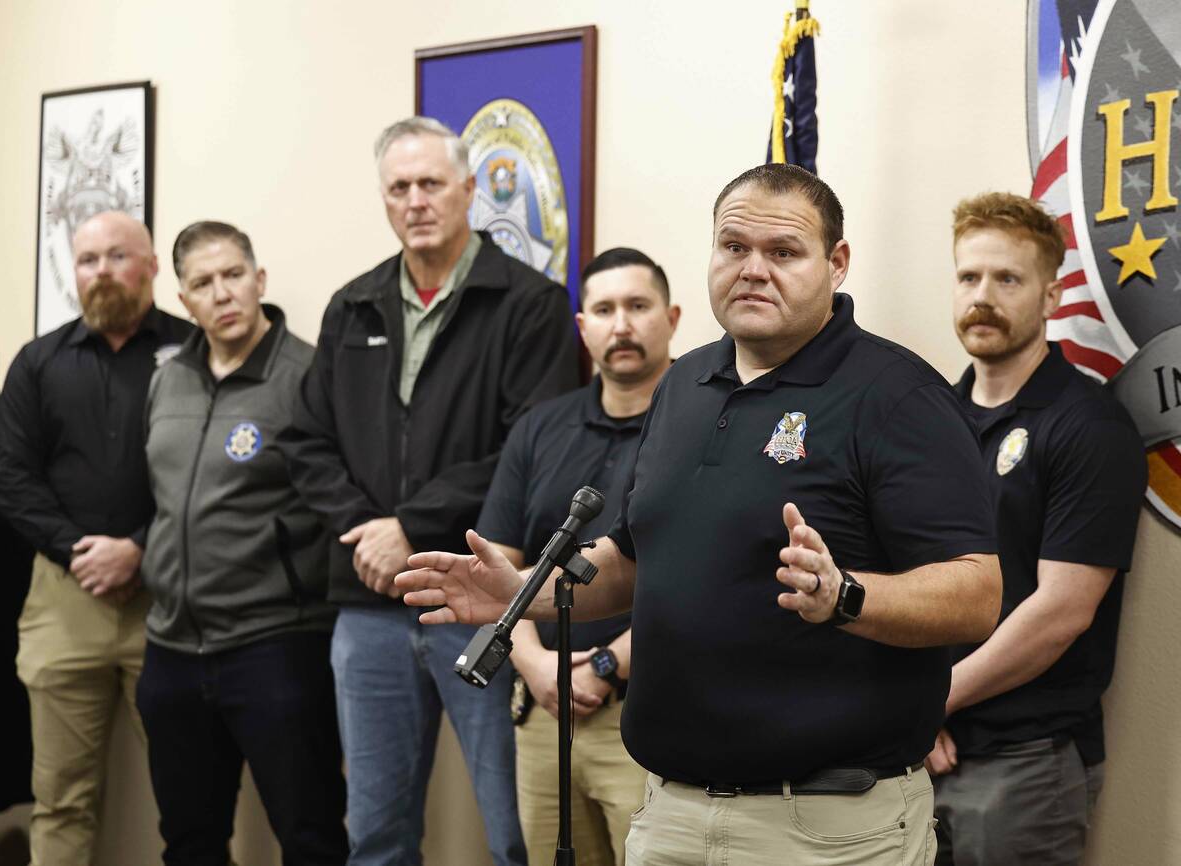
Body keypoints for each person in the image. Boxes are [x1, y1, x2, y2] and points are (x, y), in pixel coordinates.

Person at [397, 162, 1003, 866]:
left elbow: (976, 592)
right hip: (671, 814)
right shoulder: (684, 383)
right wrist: (525, 591)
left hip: (827, 825)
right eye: (733, 247)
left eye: (783, 252)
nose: (753, 270)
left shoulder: (896, 393)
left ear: (836, 263)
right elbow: (634, 557)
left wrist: (845, 597)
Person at [279, 116, 578, 866]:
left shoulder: (530, 303)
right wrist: (370, 532)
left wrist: (410, 524)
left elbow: (531, 448)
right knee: (375, 837)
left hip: (481, 598)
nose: (415, 201)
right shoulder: (353, 305)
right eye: (399, 188)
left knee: (515, 833)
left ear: (470, 190)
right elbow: (307, 442)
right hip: (368, 608)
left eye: (431, 184)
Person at [927, 192, 1146, 866]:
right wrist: (912, 711)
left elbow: (1061, 612)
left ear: (1051, 296)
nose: (982, 297)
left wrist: (931, 701)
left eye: (1007, 279)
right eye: (969, 277)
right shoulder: (931, 420)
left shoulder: (1089, 426)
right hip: (921, 752)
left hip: (1025, 766)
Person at [136, 221, 347, 865]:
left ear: (260, 280)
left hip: (276, 643)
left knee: (310, 838)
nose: (222, 293)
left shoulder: (309, 375)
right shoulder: (167, 378)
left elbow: (340, 498)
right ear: (183, 301)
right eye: (203, 283)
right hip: (172, 649)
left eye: (233, 275)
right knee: (189, 843)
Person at [0, 210, 193, 865]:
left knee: (193, 797)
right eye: (87, 260)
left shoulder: (196, 353)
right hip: (63, 602)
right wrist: (81, 552)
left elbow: (212, 476)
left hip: (170, 599)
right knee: (60, 801)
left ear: (152, 266)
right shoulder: (37, 362)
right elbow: (13, 478)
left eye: (117, 256)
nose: (101, 271)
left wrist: (139, 548)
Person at [477, 247, 680, 866]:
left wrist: (606, 666)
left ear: (672, 318)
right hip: (544, 712)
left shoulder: (703, 425)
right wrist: (535, 664)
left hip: (650, 713)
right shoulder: (539, 429)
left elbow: (708, 577)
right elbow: (499, 567)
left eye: (638, 306)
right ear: (583, 326)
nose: (622, 325)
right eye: (605, 310)